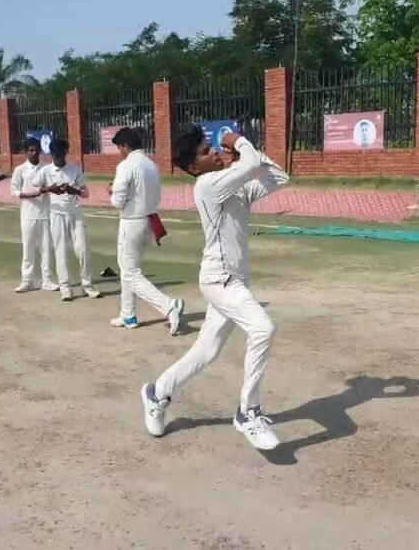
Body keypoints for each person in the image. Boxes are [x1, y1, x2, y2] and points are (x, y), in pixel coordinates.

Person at [140, 127, 289, 451]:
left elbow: (278, 176)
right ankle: (248, 412)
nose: (217, 154)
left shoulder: (232, 185)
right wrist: (238, 142)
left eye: (215, 148)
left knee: (206, 351)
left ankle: (158, 392)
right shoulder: (207, 185)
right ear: (194, 167)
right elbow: (250, 166)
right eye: (208, 152)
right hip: (220, 279)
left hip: (233, 279)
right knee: (263, 329)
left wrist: (244, 155)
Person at [107, 127, 185, 334]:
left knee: (131, 272)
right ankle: (128, 314)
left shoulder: (126, 165)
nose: (119, 152)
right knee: (128, 269)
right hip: (148, 219)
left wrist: (112, 192)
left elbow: (117, 201)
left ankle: (169, 305)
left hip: (132, 221)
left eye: (119, 148)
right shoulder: (151, 164)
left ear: (125, 146)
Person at [35, 139, 101, 302]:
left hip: (75, 213)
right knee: (61, 250)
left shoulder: (75, 170)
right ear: (51, 155)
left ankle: (88, 286)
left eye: (62, 155)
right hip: (56, 214)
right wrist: (50, 189)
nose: (59, 159)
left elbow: (86, 194)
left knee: (83, 249)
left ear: (66, 153)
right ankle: (65, 288)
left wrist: (74, 190)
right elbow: (34, 189)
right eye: (56, 155)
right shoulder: (45, 171)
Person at [11, 137, 58, 293]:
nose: (34, 153)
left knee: (46, 249)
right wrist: (29, 194)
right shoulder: (20, 170)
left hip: (45, 214)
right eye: (30, 150)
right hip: (28, 214)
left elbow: (52, 189)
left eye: (36, 150)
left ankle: (47, 280)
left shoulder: (46, 168)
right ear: (26, 152)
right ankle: (27, 280)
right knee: (28, 249)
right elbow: (15, 191)